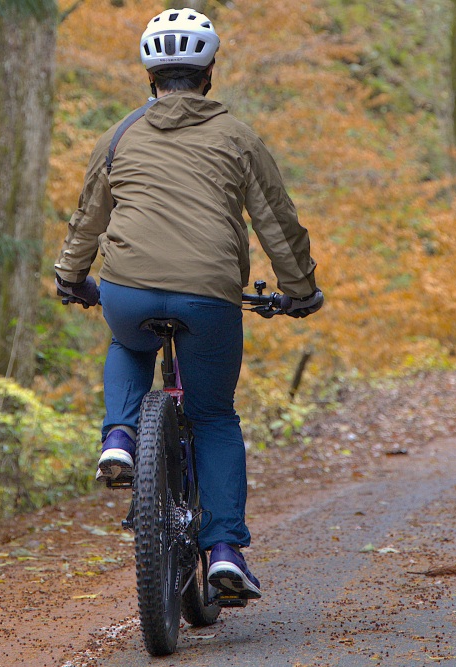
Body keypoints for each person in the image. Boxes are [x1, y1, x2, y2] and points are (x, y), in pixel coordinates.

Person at [54, 7, 322, 601]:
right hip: (209, 297)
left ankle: (119, 437)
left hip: (127, 288)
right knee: (214, 417)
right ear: (209, 74)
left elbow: (88, 219)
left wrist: (71, 277)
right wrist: (299, 290)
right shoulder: (237, 137)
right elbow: (277, 224)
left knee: (129, 340)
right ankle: (224, 550)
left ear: (151, 77)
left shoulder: (119, 134)